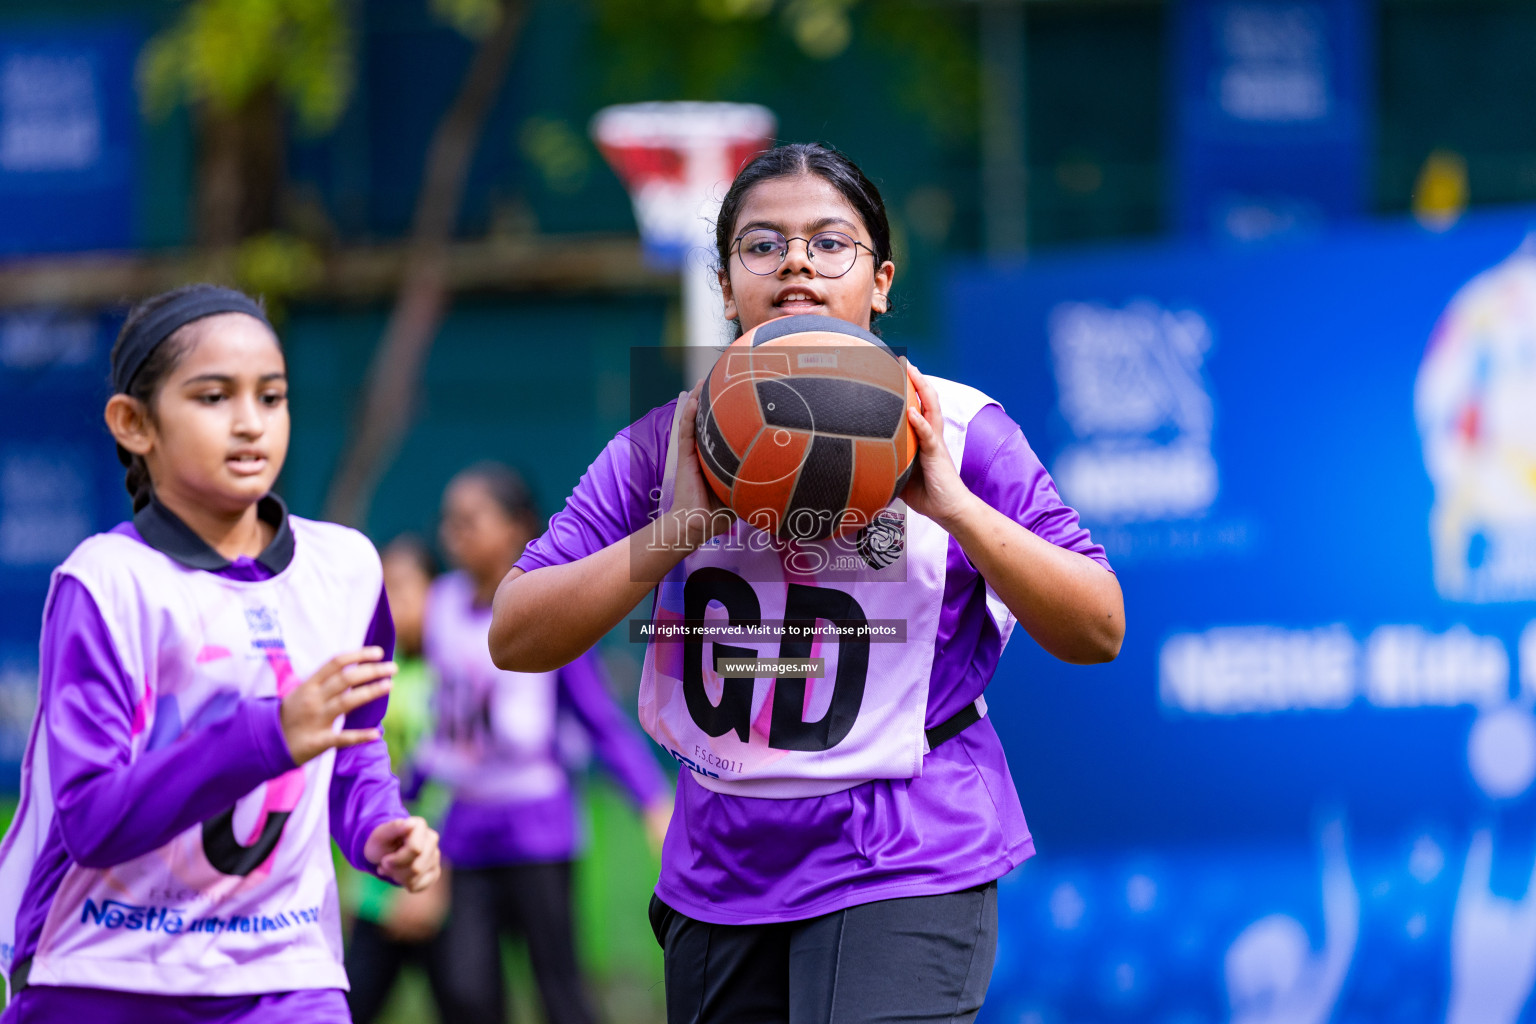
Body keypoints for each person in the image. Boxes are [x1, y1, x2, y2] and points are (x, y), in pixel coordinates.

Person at [488, 143, 1125, 1024]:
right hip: (722, 866)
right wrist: (677, 532)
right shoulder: (660, 444)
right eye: (762, 245)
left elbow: (1099, 628)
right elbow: (516, 635)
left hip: (906, 847)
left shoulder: (965, 431)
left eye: (831, 243)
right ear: (724, 286)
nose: (795, 261)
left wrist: (954, 506)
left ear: (883, 281)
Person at [0, 284, 440, 1023]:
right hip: (104, 973)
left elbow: (353, 754)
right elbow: (91, 820)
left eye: (272, 397)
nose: (250, 423)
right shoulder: (109, 583)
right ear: (134, 423)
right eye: (213, 397)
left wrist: (377, 828)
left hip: (286, 975)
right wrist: (268, 737)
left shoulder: (346, 571)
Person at [419, 462, 671, 1024]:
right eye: (448, 522)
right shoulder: (441, 605)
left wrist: (651, 801)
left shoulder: (540, 620)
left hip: (537, 830)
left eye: (469, 521)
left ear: (516, 529)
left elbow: (600, 721)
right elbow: (439, 721)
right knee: (464, 989)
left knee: (559, 991)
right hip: (466, 827)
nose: (453, 534)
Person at [343, 535, 451, 1024]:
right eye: (383, 587)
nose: (392, 600)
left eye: (406, 586)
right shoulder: (371, 678)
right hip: (379, 889)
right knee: (353, 1002)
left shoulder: (457, 675)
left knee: (468, 1000)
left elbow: (461, 784)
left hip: (446, 876)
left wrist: (441, 879)